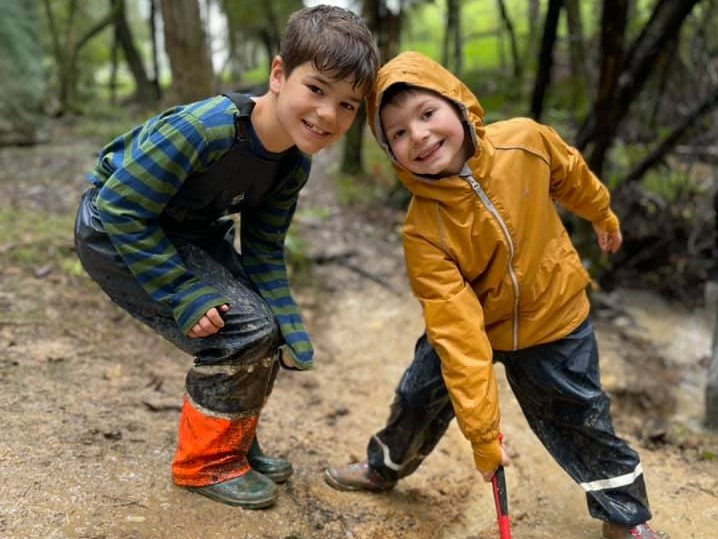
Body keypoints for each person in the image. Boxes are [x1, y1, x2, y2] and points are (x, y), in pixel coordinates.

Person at [324, 51, 661, 539]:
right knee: (418, 396)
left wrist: (603, 215)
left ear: (458, 105)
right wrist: (483, 438)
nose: (417, 135)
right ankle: (385, 466)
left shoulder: (525, 141)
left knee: (582, 419)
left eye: (427, 113)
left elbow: (572, 173)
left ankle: (625, 517)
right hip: (478, 326)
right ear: (390, 152)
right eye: (397, 133)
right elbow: (458, 337)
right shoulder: (423, 230)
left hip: (554, 320)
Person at [74, 5, 379, 509]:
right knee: (242, 331)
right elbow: (119, 206)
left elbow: (262, 250)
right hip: (114, 230)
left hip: (188, 234)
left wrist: (291, 322)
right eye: (317, 89)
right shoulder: (206, 128)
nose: (328, 113)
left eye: (348, 105)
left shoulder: (292, 166)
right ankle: (204, 463)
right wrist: (183, 292)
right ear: (279, 74)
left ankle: (231, 440)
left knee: (269, 326)